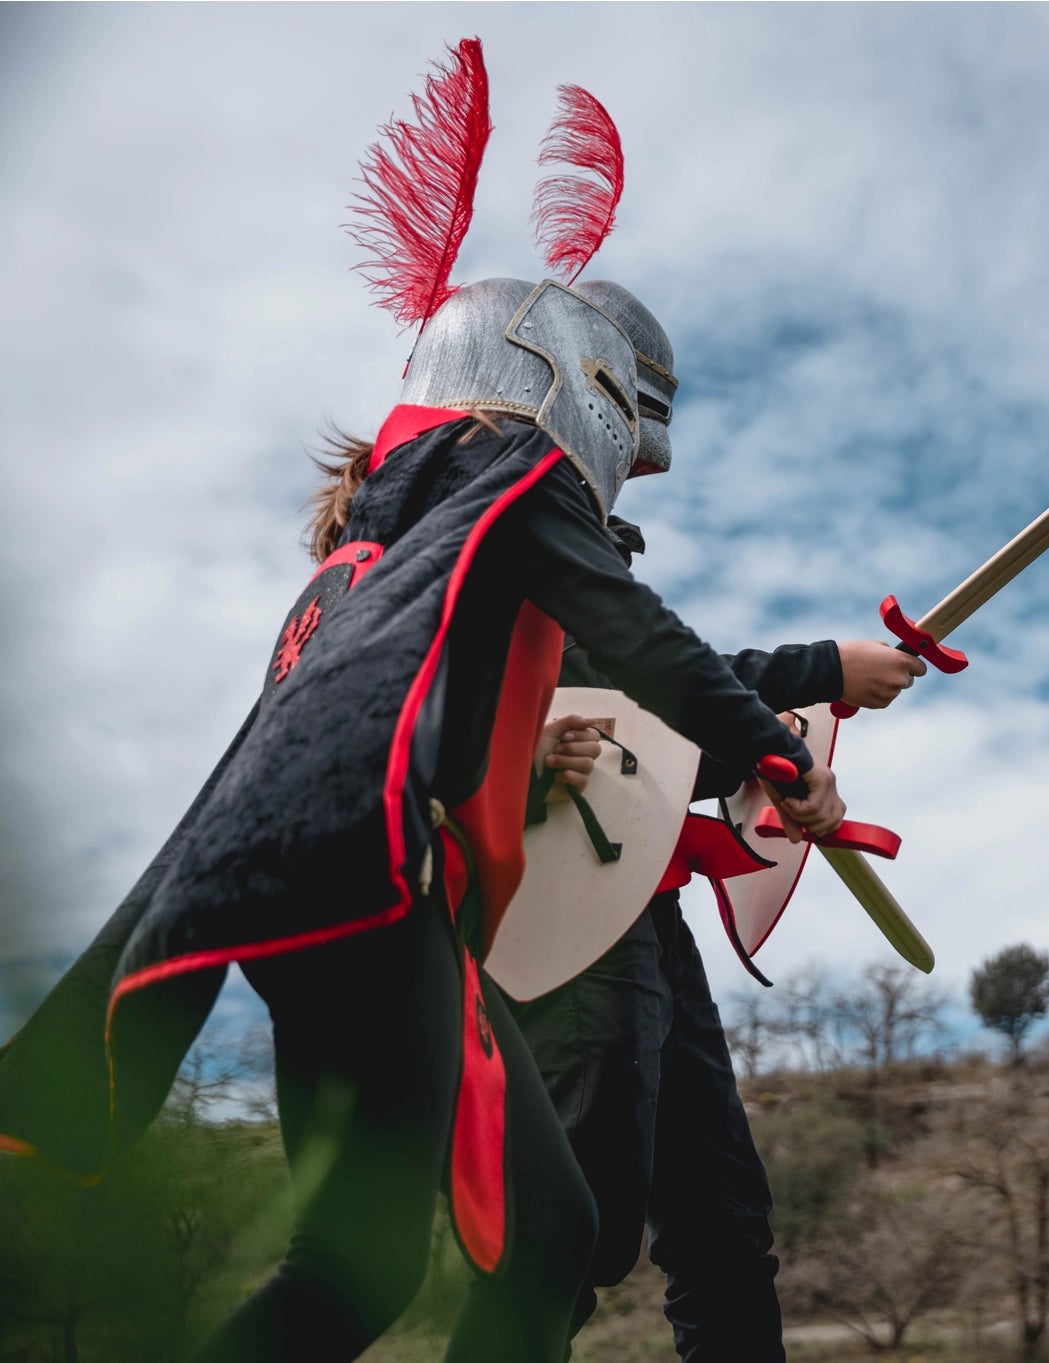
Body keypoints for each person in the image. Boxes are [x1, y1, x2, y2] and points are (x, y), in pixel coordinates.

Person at [0, 44, 849, 1360]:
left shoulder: (361, 566)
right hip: (363, 895)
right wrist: (775, 749)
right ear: (559, 378)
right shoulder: (513, 476)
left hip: (297, 912)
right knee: (555, 1234)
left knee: (359, 1261)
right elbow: (639, 636)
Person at [513, 497, 925, 1357]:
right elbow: (623, 698)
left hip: (646, 909)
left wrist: (770, 747)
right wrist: (816, 671)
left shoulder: (581, 535)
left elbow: (649, 740)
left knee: (725, 1227)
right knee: (572, 1232)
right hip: (564, 917)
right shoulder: (502, 529)